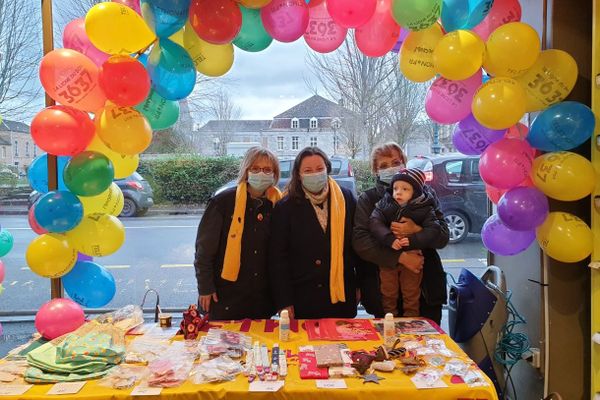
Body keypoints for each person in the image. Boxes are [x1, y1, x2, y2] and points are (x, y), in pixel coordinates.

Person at [352, 142, 449, 324]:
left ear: (404, 163)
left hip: (426, 289)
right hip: (383, 291)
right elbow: (361, 242)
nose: (391, 168)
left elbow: (443, 237)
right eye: (383, 166)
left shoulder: (426, 195)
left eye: (395, 162)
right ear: (375, 171)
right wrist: (400, 257)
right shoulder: (369, 199)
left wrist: (417, 231)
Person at [268, 147, 357, 319]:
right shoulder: (285, 207)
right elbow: (277, 259)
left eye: (319, 169)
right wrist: (284, 301)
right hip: (303, 297)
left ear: (327, 169)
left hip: (341, 296)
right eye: (307, 170)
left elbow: (357, 246)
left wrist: (359, 286)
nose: (315, 174)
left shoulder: (346, 199)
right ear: (299, 174)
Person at [193, 146, 281, 320]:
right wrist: (205, 287)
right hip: (225, 296)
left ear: (274, 174)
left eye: (267, 169)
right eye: (255, 168)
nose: (261, 173)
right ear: (246, 171)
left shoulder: (277, 205)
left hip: (261, 299)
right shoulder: (223, 202)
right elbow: (204, 250)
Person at [369, 168, 442, 317]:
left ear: (415, 191)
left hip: (413, 254)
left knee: (411, 293)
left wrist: (413, 237)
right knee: (388, 291)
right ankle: (390, 318)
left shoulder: (425, 207)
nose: (398, 193)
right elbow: (375, 222)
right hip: (389, 254)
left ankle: (411, 320)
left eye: (404, 189)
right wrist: (389, 239)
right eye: (395, 188)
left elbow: (434, 230)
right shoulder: (386, 203)